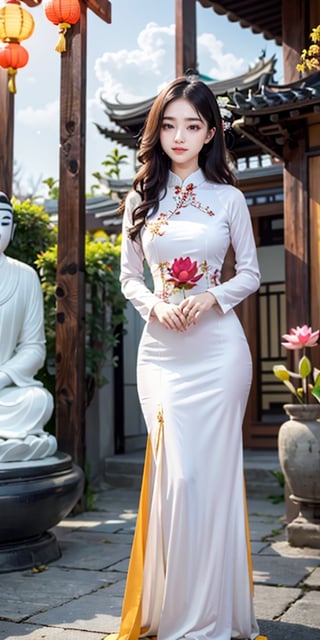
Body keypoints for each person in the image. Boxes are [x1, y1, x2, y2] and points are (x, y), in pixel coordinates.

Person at [110, 76, 267, 640]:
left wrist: (209, 296)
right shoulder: (139, 200)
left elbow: (248, 272)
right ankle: (174, 610)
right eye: (169, 123)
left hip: (219, 351)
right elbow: (129, 278)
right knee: (178, 479)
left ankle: (210, 617)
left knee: (212, 477)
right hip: (162, 355)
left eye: (192, 125)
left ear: (210, 134)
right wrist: (154, 305)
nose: (179, 136)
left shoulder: (229, 198)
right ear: (158, 129)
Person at [0, 192, 56, 462]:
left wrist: (3, 377)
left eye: (3, 223)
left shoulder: (25, 276)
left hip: (6, 391)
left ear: (12, 230)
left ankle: (13, 443)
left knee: (38, 400)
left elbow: (34, 348)